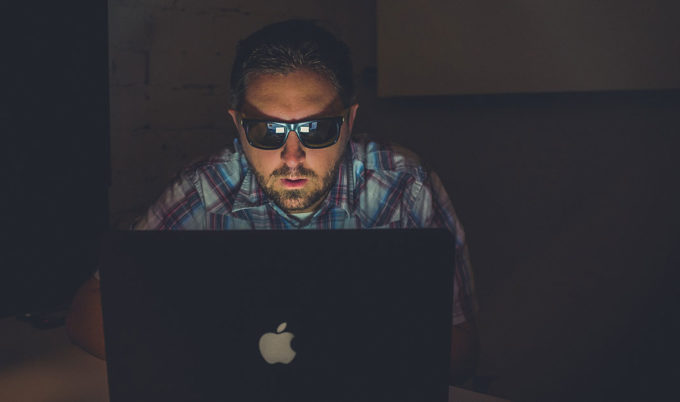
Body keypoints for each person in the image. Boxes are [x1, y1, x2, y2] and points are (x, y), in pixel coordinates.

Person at [66, 19, 479, 383]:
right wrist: (210, 362)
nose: (292, 157)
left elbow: (459, 345)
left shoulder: (407, 186)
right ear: (238, 127)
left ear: (349, 122)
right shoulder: (203, 189)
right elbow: (87, 311)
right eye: (267, 131)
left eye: (316, 129)